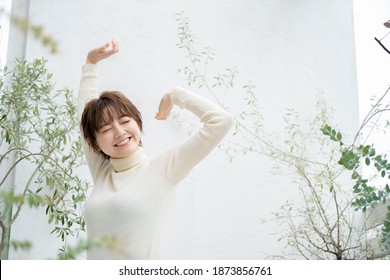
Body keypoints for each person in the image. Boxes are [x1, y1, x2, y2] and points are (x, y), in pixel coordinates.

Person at [77, 40, 233, 259]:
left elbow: (221, 121)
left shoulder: (162, 169)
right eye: (105, 128)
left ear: (138, 123)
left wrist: (175, 96)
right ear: (94, 142)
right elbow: (82, 118)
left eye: (124, 121)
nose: (119, 132)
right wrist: (91, 63)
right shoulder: (103, 173)